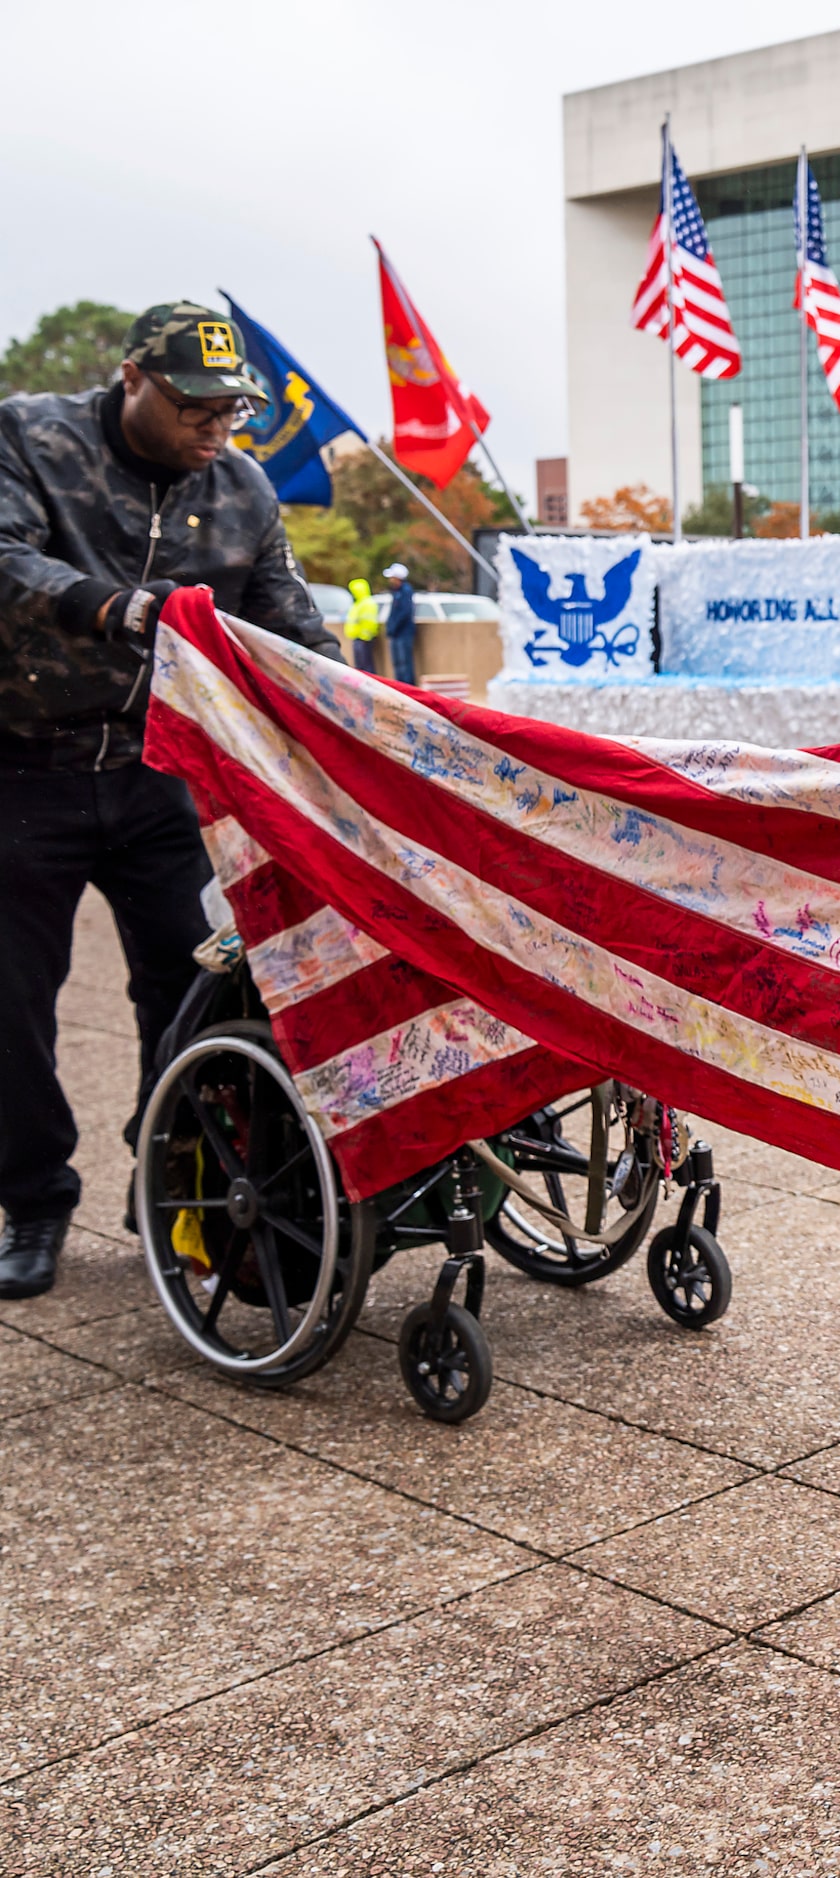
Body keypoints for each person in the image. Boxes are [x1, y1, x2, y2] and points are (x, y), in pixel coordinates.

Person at [0, 302, 336, 1298]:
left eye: (231, 410)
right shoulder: (31, 435)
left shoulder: (239, 486)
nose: (214, 430)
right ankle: (32, 1202)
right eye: (194, 407)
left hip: (157, 777)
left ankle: (174, 1188)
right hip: (24, 767)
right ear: (133, 380)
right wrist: (116, 606)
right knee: (13, 1005)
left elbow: (292, 630)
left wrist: (373, 720)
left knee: (189, 989)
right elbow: (5, 561)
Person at [380, 562, 419, 686]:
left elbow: (404, 612)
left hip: (404, 633)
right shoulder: (396, 592)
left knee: (404, 663)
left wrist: (394, 626)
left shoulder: (405, 591)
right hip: (396, 633)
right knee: (397, 663)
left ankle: (407, 687)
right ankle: (400, 686)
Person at [344, 574, 382, 675]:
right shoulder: (358, 604)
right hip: (357, 637)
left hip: (364, 638)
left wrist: (365, 635)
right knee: (360, 666)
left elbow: (369, 622)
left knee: (366, 666)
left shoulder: (368, 603)